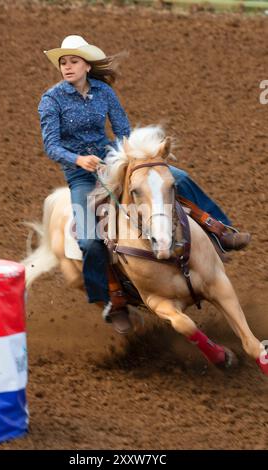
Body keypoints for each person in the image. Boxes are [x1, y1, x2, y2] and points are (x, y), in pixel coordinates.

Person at [38, 35, 250, 335]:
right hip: (82, 175)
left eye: (73, 61)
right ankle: (113, 301)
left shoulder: (103, 92)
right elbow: (51, 145)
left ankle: (220, 229)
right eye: (63, 62)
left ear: (86, 65)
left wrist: (131, 157)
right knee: (88, 241)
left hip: (116, 162)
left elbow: (123, 129)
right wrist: (78, 159)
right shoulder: (51, 100)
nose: (67, 66)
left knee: (180, 178)